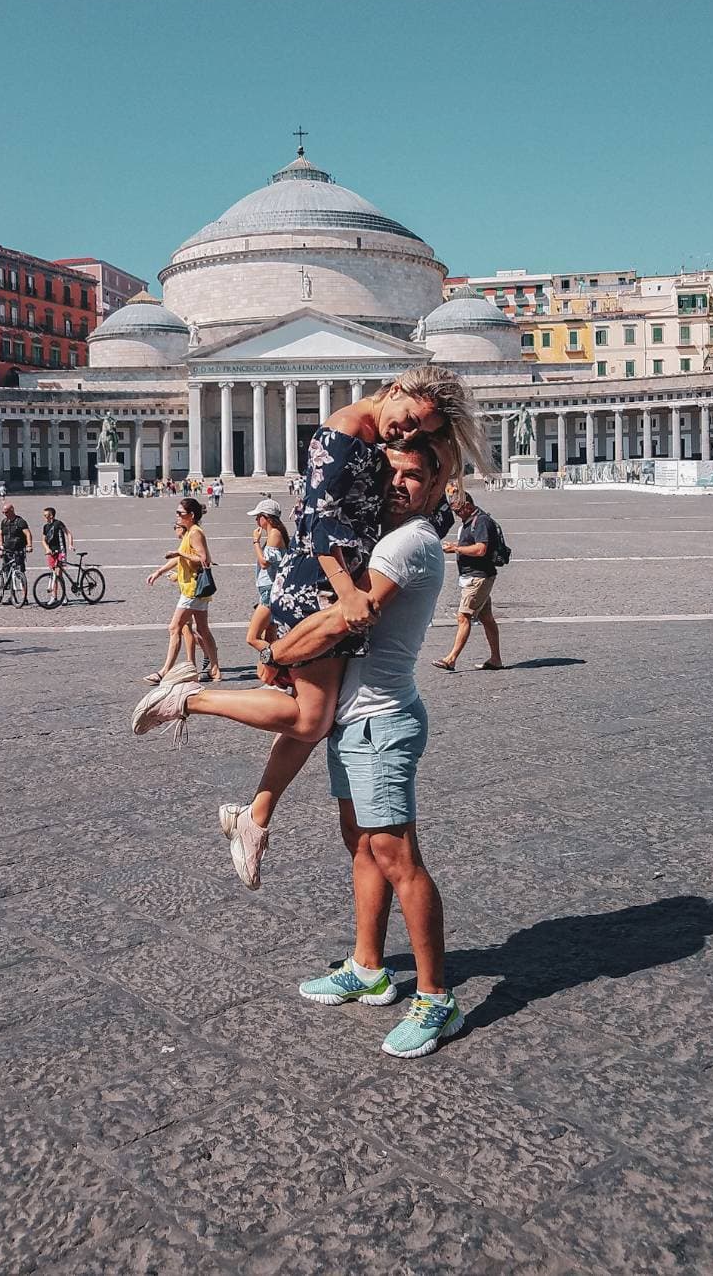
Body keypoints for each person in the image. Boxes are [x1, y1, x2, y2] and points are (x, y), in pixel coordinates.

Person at [227, 438, 464, 1058]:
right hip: (354, 720)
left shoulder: (407, 542)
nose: (398, 484)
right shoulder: (381, 538)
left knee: (397, 855)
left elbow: (344, 620)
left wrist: (276, 654)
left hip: (381, 723)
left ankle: (437, 1000)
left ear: (439, 487)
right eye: (392, 472)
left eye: (414, 477)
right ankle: (368, 968)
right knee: (362, 848)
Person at [132, 366, 486, 760]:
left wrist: (442, 459)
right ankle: (189, 697)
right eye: (410, 422)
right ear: (397, 389)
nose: (407, 434)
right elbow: (319, 519)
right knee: (310, 720)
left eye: (417, 432)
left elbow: (429, 512)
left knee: (315, 717)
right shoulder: (344, 431)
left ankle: (255, 815)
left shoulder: (377, 429)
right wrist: (348, 593)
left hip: (335, 576)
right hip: (318, 580)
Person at [143, 498, 220, 685]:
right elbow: (181, 559)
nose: (177, 516)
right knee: (202, 629)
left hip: (193, 588)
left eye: (180, 513)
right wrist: (159, 571)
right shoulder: (189, 533)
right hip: (193, 588)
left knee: (174, 627)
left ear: (191, 515)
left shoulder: (195, 533)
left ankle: (164, 671)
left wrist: (180, 554)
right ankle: (215, 670)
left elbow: (204, 559)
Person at [433, 490, 503, 671]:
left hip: (478, 577)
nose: (457, 515)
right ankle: (496, 659)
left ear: (468, 506)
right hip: (474, 576)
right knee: (486, 618)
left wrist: (456, 548)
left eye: (459, 511)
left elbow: (481, 549)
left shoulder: (481, 522)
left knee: (463, 616)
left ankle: (451, 658)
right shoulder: (470, 521)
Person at [246, 501, 290, 652]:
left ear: (266, 517)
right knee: (270, 636)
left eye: (258, 516)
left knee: (252, 638)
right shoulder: (274, 534)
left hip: (269, 591)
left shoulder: (275, 534)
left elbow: (264, 563)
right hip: (267, 589)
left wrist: (255, 542)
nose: (256, 520)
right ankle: (276, 673)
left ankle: (281, 661)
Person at [0, 501, 33, 605]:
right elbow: (0, 534)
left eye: (7, 512)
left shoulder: (20, 521)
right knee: (7, 572)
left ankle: (24, 597)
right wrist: (0, 546)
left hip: (18, 550)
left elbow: (28, 534)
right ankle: (11, 596)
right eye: (3, 512)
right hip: (7, 550)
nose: (5, 514)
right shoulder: (4, 522)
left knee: (20, 573)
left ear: (12, 510)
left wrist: (29, 545)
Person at [41, 507, 74, 604]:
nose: (44, 517)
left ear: (51, 515)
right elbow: (43, 540)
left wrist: (70, 544)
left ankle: (63, 596)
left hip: (61, 551)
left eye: (45, 515)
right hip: (51, 552)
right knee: (53, 574)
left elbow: (68, 533)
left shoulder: (58, 523)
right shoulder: (45, 527)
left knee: (58, 574)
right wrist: (47, 548)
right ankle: (54, 597)